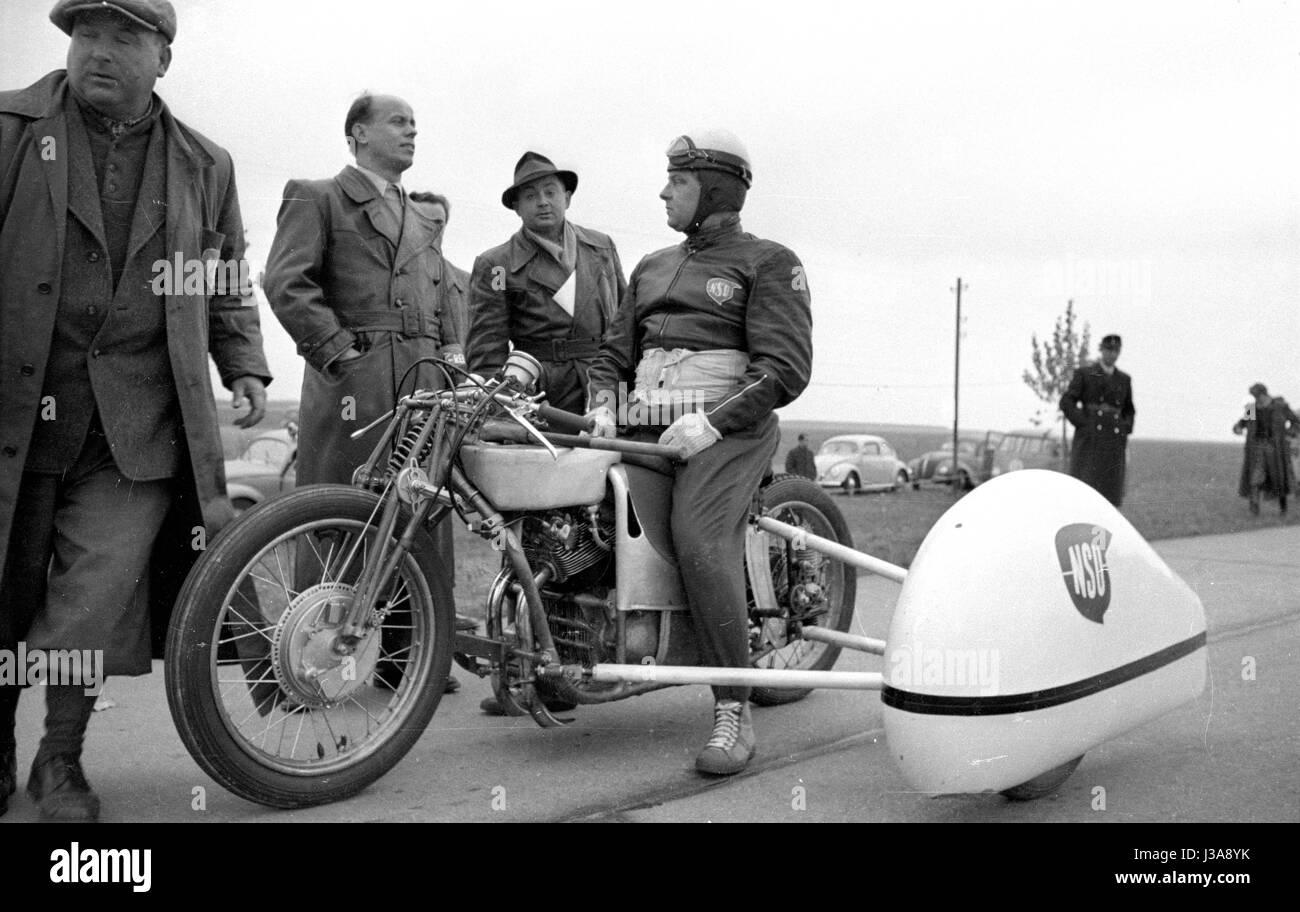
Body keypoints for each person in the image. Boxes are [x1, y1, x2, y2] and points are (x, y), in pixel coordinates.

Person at [0, 0, 272, 821]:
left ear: (164, 58)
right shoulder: (12, 131)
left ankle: (60, 761)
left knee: (96, 597)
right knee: (7, 592)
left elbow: (225, 277)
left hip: (138, 426)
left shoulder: (204, 163)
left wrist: (246, 367)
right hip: (18, 412)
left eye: (124, 37)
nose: (99, 53)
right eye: (86, 35)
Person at [586, 130, 813, 775]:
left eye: (678, 181)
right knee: (576, 510)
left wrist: (710, 423)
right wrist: (604, 400)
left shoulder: (770, 262)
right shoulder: (652, 264)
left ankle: (732, 707)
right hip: (644, 424)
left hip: (728, 433)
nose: (663, 191)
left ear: (713, 189)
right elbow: (612, 353)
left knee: (699, 539)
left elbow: (784, 368)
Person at [264, 94, 460, 694]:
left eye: (414, 123)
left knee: (422, 509)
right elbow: (285, 281)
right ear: (357, 134)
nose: (411, 131)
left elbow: (441, 293)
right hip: (358, 381)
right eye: (398, 122)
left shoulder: (425, 215)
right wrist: (340, 353)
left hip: (425, 381)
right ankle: (313, 658)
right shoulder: (316, 194)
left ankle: (414, 658)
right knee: (338, 513)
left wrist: (453, 361)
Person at [467, 152, 626, 414]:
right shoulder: (496, 265)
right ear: (516, 207)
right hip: (541, 389)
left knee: (613, 452)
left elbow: (625, 323)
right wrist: (495, 403)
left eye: (550, 193)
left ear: (567, 198)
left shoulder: (602, 247)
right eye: (530, 196)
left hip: (604, 381)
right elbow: (487, 345)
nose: (543, 202)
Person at [1059, 334, 1134, 507]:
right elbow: (1067, 401)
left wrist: (1125, 428)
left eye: (1116, 351)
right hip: (1090, 440)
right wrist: (1084, 424)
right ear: (1101, 350)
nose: (1112, 355)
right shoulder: (1085, 373)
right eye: (1109, 350)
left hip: (1114, 441)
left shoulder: (1124, 379)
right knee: (1086, 492)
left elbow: (1129, 410)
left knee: (1110, 496)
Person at [1233, 383, 1298, 515]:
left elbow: (1296, 422)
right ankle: (1254, 510)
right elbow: (1242, 423)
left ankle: (1283, 509)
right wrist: (1238, 428)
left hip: (1276, 448)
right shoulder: (1252, 408)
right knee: (1255, 478)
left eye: (1257, 396)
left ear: (1264, 394)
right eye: (1254, 396)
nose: (1256, 399)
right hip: (1256, 447)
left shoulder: (1280, 407)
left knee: (1278, 478)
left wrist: (1288, 433)